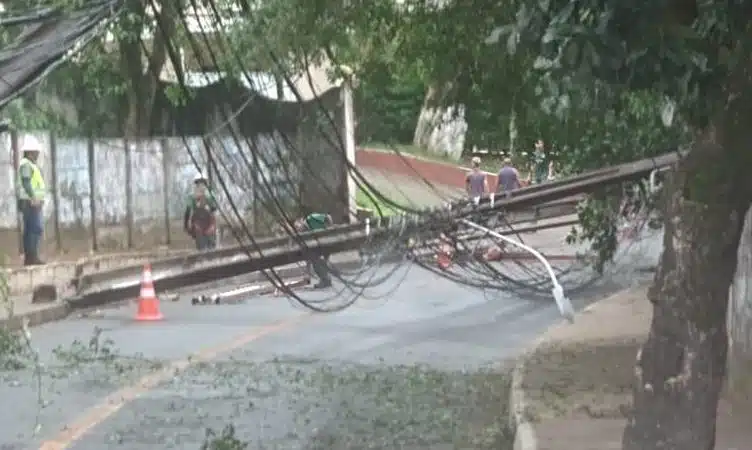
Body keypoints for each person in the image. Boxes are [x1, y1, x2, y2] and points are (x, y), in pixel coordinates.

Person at [16, 136, 46, 266]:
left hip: (31, 201)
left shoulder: (30, 165)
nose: (38, 153)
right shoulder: (26, 165)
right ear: (29, 152)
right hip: (30, 201)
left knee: (32, 229)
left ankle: (31, 258)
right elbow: (26, 182)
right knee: (35, 228)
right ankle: (31, 257)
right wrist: (34, 197)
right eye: (36, 151)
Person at [294, 212, 333, 289]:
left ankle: (325, 280)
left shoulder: (311, 218)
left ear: (301, 221)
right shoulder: (306, 233)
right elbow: (308, 260)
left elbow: (328, 216)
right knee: (315, 261)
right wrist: (307, 274)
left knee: (318, 262)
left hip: (326, 242)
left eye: (298, 227)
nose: (298, 230)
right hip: (320, 246)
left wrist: (330, 230)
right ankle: (325, 280)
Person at [183, 173, 218, 251]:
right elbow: (188, 211)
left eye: (202, 182)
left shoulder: (210, 195)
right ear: (196, 184)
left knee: (211, 246)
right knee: (201, 246)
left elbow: (214, 209)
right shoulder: (192, 196)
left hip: (209, 222)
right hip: (198, 223)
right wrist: (186, 225)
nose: (201, 185)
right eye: (199, 183)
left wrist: (207, 205)